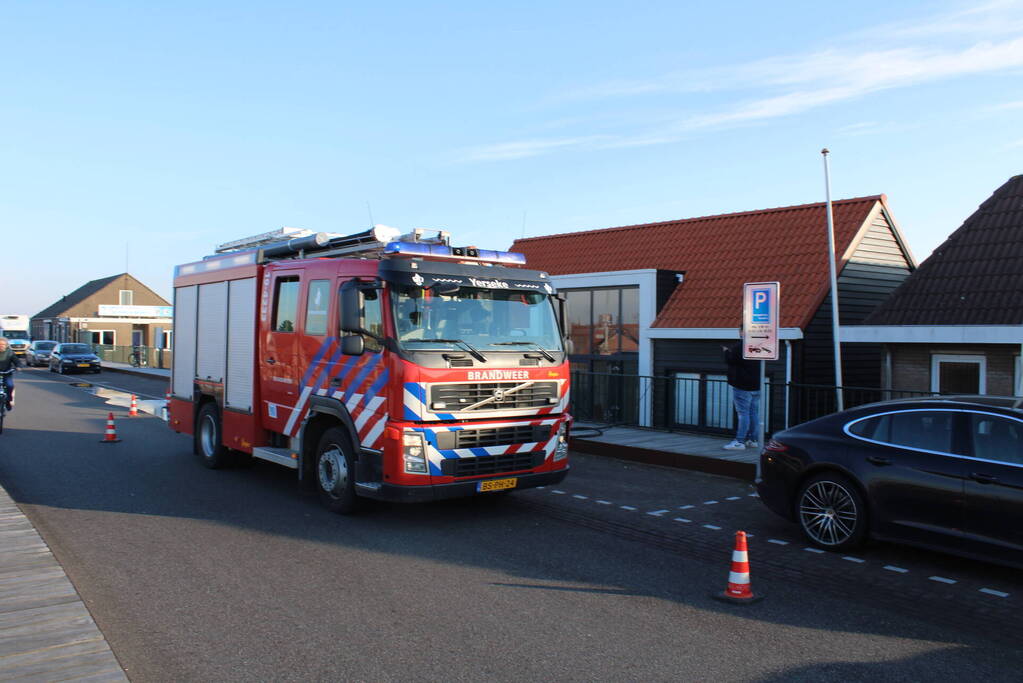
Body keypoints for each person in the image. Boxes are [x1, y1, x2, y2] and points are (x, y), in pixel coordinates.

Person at [722, 332, 760, 450]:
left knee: (743, 414)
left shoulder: (740, 346)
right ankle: (753, 440)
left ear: (743, 332)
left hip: (742, 385)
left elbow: (731, 360)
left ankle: (739, 441)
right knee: (753, 413)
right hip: (756, 385)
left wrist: (726, 352)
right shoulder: (758, 344)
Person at [0, 337, 20, 411]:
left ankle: (8, 400)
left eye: (3, 344)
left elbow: (16, 361)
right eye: (0, 344)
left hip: (6, 373)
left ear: (6, 345)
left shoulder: (10, 353)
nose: (1, 346)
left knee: (10, 385)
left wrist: (18, 366)